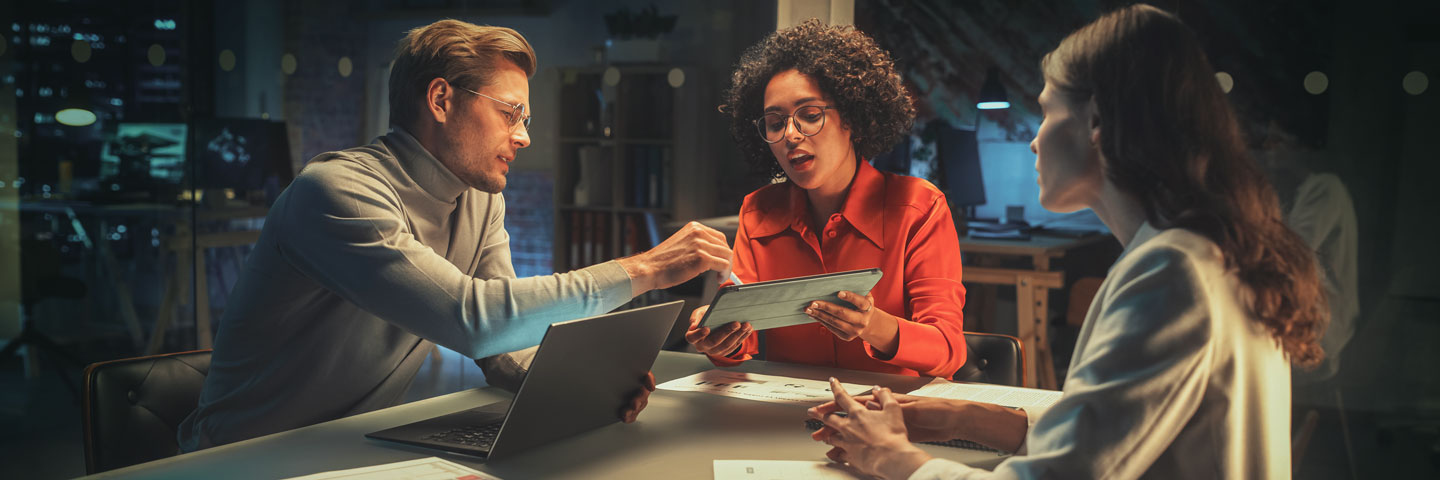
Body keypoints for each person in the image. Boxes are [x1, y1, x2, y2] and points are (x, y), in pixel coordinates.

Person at [807, 5, 1328, 479]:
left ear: (1097, 122)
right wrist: (962, 416)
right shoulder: (1204, 252)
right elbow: (1112, 426)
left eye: (1049, 111)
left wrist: (892, 459)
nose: (1034, 138)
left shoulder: (1174, 272)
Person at [177, 20, 732, 452]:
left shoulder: (481, 198)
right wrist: (643, 270)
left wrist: (579, 389)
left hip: (353, 451)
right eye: (512, 113)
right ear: (441, 100)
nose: (522, 137)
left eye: (526, 119)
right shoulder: (335, 191)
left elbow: (501, 347)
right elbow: (473, 319)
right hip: (241, 460)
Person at [686, 19, 968, 378]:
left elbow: (949, 350)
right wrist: (719, 336)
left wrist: (872, 326)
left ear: (852, 117)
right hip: (787, 418)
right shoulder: (758, 212)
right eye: (775, 122)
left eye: (810, 115)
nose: (790, 134)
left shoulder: (919, 208)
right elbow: (743, 343)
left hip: (890, 420)